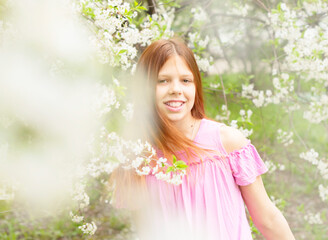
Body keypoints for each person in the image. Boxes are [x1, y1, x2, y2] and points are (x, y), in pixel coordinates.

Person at [113, 38, 295, 240]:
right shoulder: (138, 157)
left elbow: (267, 219)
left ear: (196, 86)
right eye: (162, 80)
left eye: (185, 80)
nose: (176, 89)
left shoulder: (227, 144)